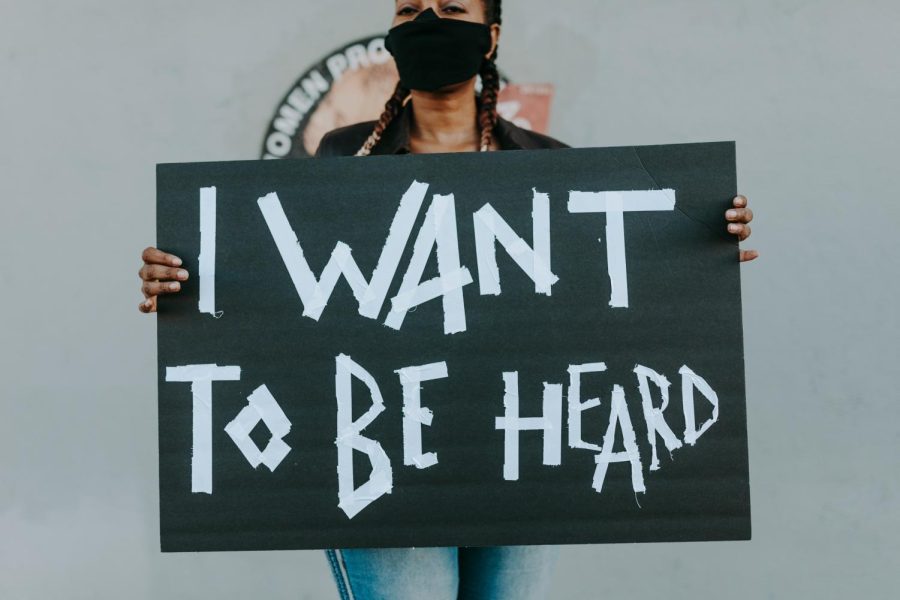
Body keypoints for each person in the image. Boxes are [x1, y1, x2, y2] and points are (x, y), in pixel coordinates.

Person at [138, 1, 758, 598]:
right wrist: (187, 282)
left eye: (453, 9)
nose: (428, 20)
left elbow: (602, 306)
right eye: (409, 10)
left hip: (522, 463)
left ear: (490, 38)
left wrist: (699, 248)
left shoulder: (551, 166)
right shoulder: (340, 158)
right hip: (381, 458)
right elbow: (286, 294)